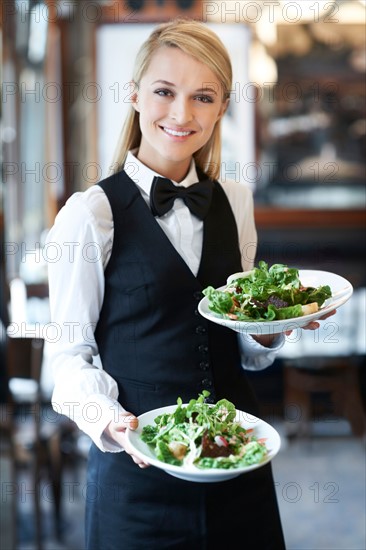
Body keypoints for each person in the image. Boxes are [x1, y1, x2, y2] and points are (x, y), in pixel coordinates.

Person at [47, 18, 333, 550]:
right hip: (138, 480)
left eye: (203, 96)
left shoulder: (236, 201)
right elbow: (65, 357)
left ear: (222, 107)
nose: (182, 114)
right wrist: (112, 424)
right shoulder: (90, 214)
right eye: (164, 92)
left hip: (239, 466)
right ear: (134, 96)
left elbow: (244, 340)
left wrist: (273, 329)